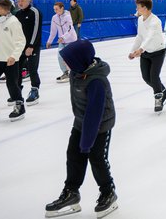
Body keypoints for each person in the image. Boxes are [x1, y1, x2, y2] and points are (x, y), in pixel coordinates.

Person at [44, 41, 118, 218]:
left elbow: (94, 114)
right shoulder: (76, 72)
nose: (65, 63)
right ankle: (71, 193)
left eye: (68, 60)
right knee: (73, 155)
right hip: (81, 121)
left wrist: (86, 143)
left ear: (79, 60)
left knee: (96, 157)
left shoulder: (97, 81)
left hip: (100, 124)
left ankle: (108, 192)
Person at [129, 0, 166, 113]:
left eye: (138, 7)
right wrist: (133, 50)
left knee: (154, 76)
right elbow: (140, 36)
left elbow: (149, 37)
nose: (136, 9)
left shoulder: (155, 21)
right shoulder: (140, 19)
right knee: (146, 77)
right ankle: (164, 92)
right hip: (146, 52)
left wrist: (140, 49)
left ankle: (158, 98)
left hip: (158, 51)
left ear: (145, 8)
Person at [15, 0, 42, 106]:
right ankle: (17, 91)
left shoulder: (35, 12)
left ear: (29, 0)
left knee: (32, 69)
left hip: (32, 47)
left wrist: (31, 46)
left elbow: (36, 29)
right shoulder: (17, 14)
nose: (20, 3)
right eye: (18, 1)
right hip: (20, 46)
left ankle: (35, 90)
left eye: (22, 1)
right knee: (17, 69)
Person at [45, 2, 78, 83]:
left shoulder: (67, 16)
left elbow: (70, 29)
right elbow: (53, 31)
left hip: (71, 40)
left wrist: (63, 37)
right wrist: (49, 41)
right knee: (60, 56)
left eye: (57, 9)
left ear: (62, 8)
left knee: (70, 57)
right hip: (62, 41)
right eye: (54, 9)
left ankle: (75, 72)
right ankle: (66, 73)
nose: (55, 11)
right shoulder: (54, 18)